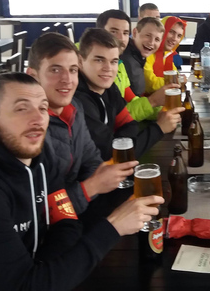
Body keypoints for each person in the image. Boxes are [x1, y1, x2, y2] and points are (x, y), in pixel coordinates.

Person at [0, 73, 162, 291]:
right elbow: (28, 286)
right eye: (21, 109)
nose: (38, 120)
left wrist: (47, 270)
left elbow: (64, 215)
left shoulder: (38, 156)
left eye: (43, 108)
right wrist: (113, 226)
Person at [26, 32, 134, 215]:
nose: (67, 79)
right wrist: (91, 187)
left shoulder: (74, 107)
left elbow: (92, 160)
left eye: (73, 70)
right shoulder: (28, 129)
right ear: (33, 76)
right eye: (55, 69)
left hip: (79, 210)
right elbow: (39, 213)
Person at [74, 28, 181, 160]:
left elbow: (129, 124)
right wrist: (159, 128)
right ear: (79, 61)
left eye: (114, 61)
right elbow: (113, 155)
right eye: (99, 60)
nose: (108, 68)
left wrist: (122, 143)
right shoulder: (78, 102)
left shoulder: (110, 87)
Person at [97, 9, 174, 121]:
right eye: (113, 31)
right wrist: (153, 101)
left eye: (124, 33)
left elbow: (132, 100)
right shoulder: (92, 68)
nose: (120, 39)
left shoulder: (120, 64)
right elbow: (113, 119)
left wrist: (161, 112)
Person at [121, 16, 164, 96]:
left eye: (157, 39)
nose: (151, 42)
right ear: (134, 33)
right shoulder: (126, 60)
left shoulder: (138, 56)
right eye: (148, 35)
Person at [143, 15, 187, 95]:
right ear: (161, 31)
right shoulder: (147, 52)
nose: (174, 38)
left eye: (179, 36)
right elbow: (151, 84)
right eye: (171, 32)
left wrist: (176, 79)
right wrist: (175, 81)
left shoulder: (167, 54)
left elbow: (175, 75)